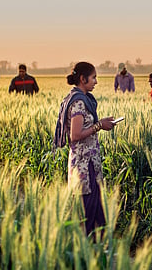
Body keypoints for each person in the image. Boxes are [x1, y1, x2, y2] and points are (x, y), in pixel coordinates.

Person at [53, 62, 116, 236]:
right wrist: (99, 126)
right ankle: (89, 251)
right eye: (93, 77)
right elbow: (75, 134)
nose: (96, 81)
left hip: (87, 162)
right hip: (84, 164)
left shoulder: (79, 98)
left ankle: (94, 251)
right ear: (83, 79)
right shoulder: (79, 102)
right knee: (87, 209)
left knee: (92, 207)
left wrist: (100, 123)